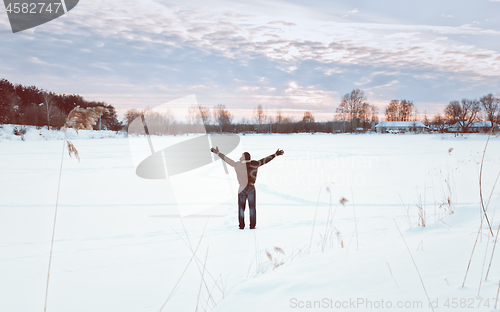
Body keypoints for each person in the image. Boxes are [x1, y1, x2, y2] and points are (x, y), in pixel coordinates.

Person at [210, 146, 284, 229]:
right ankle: (252, 226)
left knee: (241, 208)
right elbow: (265, 160)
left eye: (241, 157)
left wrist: (218, 153)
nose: (240, 158)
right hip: (251, 188)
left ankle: (241, 226)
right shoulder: (255, 164)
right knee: (252, 208)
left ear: (243, 158)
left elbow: (227, 160)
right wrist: (275, 154)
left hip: (241, 188)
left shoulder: (237, 165)